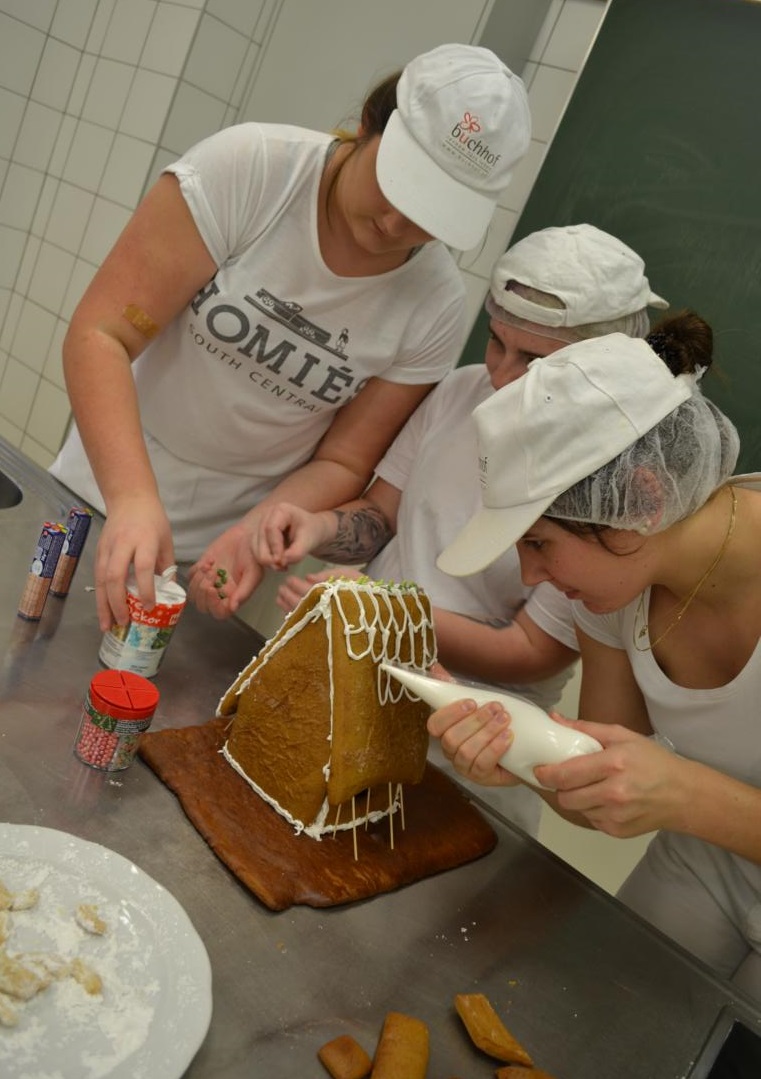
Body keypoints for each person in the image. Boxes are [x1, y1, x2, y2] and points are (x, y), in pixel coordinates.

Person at [49, 43, 531, 633]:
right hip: (108, 482)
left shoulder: (435, 306)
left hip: (233, 551)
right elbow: (103, 334)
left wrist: (256, 532)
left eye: (430, 217)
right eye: (396, 186)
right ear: (369, 124)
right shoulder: (251, 169)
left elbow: (344, 460)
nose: (396, 224)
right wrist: (130, 498)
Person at [255, 224, 669, 834]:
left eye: (535, 360)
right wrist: (318, 528)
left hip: (477, 744)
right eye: (498, 342)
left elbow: (530, 651)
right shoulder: (458, 392)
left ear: (601, 364)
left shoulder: (610, 478)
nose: (501, 374)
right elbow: (383, 515)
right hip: (353, 685)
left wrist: (383, 615)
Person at [430, 314, 761, 1001]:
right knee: (621, 1017)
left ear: (642, 498)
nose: (529, 576)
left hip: (705, 824)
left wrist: (686, 793)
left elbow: (677, 792)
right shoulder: (615, 594)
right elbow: (593, 790)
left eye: (539, 543)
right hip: (704, 860)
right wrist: (518, 756)